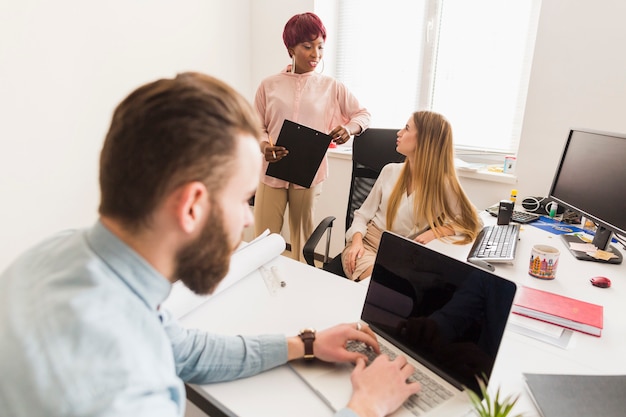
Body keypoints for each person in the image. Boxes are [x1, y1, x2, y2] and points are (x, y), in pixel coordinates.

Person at [0, 72, 420, 417]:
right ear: (192, 207)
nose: (248, 218)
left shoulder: (62, 254)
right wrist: (364, 408)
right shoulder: (125, 388)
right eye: (242, 199)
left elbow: (183, 348)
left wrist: (305, 344)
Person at [253, 12, 371, 262]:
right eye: (307, 46)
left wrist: (349, 129)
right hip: (271, 170)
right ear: (291, 49)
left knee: (303, 240)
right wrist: (264, 144)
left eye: (320, 47)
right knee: (262, 239)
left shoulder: (332, 86)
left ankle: (301, 291)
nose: (315, 54)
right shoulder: (268, 85)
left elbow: (363, 114)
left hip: (309, 172)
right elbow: (256, 124)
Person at [342, 111, 482, 281]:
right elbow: (362, 215)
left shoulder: (444, 184)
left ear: (425, 139)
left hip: (405, 255)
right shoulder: (390, 171)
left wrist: (437, 232)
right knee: (381, 285)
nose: (399, 133)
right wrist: (356, 241)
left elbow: (474, 222)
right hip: (367, 246)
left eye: (407, 128)